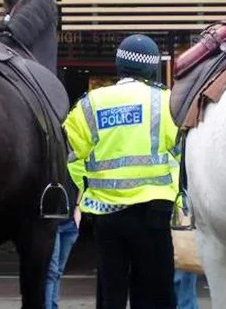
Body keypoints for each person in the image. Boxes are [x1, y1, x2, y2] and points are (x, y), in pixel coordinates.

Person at [64, 34, 180, 309]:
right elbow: (181, 154)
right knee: (154, 291)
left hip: (106, 214)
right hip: (154, 211)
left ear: (119, 66)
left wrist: (90, 188)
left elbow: (73, 156)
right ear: (152, 68)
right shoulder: (166, 102)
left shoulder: (90, 104)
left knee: (111, 290)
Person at [45, 195, 82, 308]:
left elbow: (82, 183)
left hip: (70, 223)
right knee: (51, 271)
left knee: (57, 272)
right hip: (51, 223)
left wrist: (78, 207)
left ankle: (53, 306)